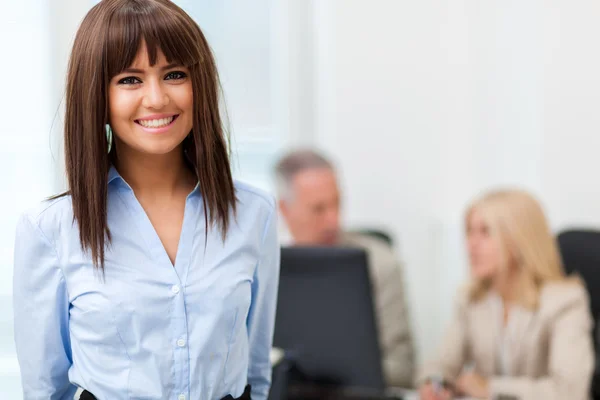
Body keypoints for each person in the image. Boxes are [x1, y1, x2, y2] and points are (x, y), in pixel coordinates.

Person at [12, 1, 280, 399]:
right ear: (97, 96)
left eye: (174, 74)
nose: (156, 99)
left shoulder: (253, 213)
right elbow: (44, 390)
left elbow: (256, 375)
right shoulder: (50, 229)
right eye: (129, 80)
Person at [417, 189, 594, 400]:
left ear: (520, 239)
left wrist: (490, 388)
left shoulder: (565, 301)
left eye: (485, 232)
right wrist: (435, 383)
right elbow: (442, 362)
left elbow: (570, 392)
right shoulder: (471, 299)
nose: (470, 245)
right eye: (469, 232)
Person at [274, 149, 415, 388]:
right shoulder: (263, 268)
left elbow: (401, 367)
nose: (334, 220)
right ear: (285, 210)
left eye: (337, 204)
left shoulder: (381, 264)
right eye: (318, 209)